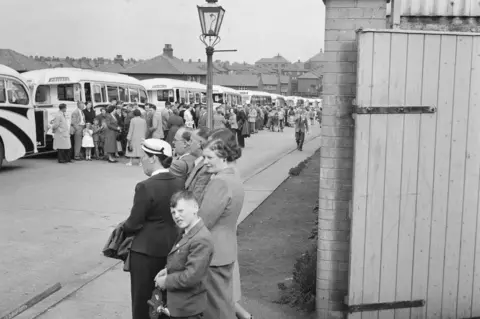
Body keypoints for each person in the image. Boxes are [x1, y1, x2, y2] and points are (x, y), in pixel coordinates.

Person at [123, 139, 184, 319]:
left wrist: (124, 228)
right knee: (165, 301)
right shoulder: (179, 182)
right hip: (172, 248)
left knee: (142, 301)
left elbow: (133, 224)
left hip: (145, 252)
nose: (141, 159)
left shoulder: (145, 186)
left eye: (144, 156)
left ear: (153, 159)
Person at [198, 129, 245, 319]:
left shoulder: (220, 182)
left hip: (213, 253)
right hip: (226, 248)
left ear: (223, 157)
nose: (205, 162)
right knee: (223, 303)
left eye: (209, 157)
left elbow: (203, 221)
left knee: (215, 309)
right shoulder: (233, 177)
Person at [154, 190, 214, 319]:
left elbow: (191, 277)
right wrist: (168, 270)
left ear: (195, 208)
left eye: (181, 211)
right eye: (173, 213)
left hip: (188, 309)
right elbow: (182, 260)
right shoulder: (186, 232)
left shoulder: (201, 239)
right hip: (180, 305)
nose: (176, 216)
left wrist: (165, 281)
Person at [184, 127, 212, 205]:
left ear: (199, 143)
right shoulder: (199, 161)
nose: (188, 143)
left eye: (191, 140)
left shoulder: (206, 167)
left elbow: (196, 199)